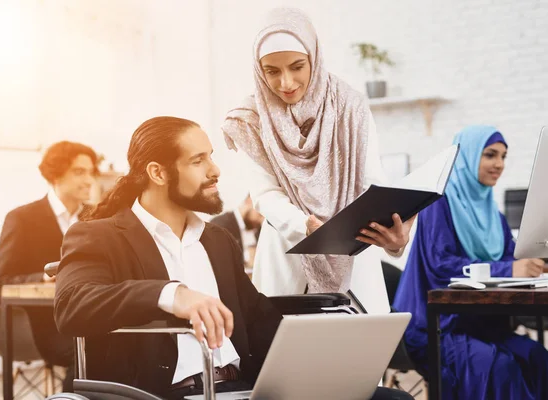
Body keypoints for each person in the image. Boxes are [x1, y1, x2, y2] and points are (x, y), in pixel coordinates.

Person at [54, 116, 412, 400]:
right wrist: (172, 294)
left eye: (211, 155)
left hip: (241, 388)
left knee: (390, 399)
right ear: (158, 173)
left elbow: (257, 319)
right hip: (164, 393)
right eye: (198, 160)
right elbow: (72, 306)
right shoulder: (99, 236)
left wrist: (330, 356)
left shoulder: (216, 241)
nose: (215, 170)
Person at [222, 8, 414, 311]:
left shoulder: (350, 107)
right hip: (287, 257)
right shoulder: (250, 118)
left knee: (357, 355)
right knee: (289, 354)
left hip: (353, 259)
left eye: (297, 66)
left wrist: (394, 238)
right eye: (272, 71)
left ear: (314, 56)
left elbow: (372, 184)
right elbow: (265, 195)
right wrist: (305, 225)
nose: (286, 82)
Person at [393, 126, 548, 400]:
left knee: (538, 358)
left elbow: (513, 257)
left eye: (503, 156)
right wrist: (510, 269)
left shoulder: (493, 213)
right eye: (490, 155)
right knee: (501, 368)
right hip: (436, 325)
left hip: (481, 324)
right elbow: (442, 266)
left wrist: (536, 262)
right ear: (467, 157)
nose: (499, 164)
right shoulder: (436, 205)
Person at [0, 140, 99, 390]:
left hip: (93, 315)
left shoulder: (97, 218)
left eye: (91, 172)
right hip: (45, 327)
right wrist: (42, 277)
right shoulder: (22, 219)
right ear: (56, 174)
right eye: (79, 172)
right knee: (90, 349)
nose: (89, 180)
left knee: (133, 342)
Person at [210, 195, 264, 265]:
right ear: (250, 201)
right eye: (261, 214)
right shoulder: (220, 226)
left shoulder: (257, 226)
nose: (262, 219)